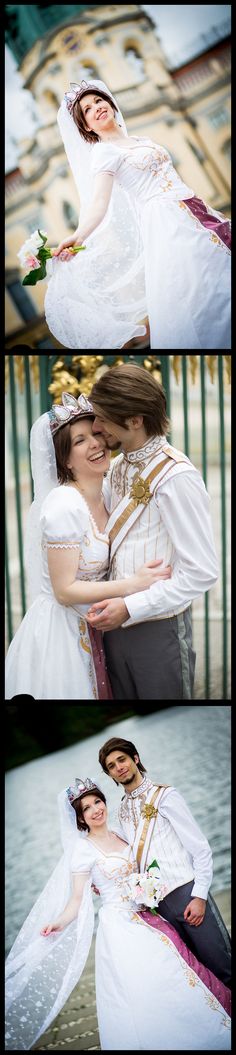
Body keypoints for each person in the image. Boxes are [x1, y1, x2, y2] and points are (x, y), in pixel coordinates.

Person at [5, 777, 231, 1051]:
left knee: (177, 975)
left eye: (97, 801)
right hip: (120, 927)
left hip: (148, 915)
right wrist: (59, 922)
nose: (96, 809)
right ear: (80, 818)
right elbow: (77, 900)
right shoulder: (82, 850)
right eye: (86, 808)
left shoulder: (121, 834)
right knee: (145, 986)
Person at [5, 392, 171, 700]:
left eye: (96, 433)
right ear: (64, 459)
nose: (95, 443)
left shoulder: (108, 491)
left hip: (96, 625)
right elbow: (64, 590)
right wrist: (132, 584)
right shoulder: (64, 505)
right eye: (79, 441)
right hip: (62, 635)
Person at [44, 78, 231, 350]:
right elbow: (99, 202)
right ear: (86, 126)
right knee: (200, 288)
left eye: (98, 100)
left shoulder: (142, 140)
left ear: (110, 103)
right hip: (167, 223)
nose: (96, 107)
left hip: (194, 208)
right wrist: (78, 236)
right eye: (87, 109)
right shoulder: (104, 152)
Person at [86, 363, 218, 700]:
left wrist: (132, 607)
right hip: (111, 628)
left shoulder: (177, 477)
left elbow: (202, 572)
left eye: (103, 418)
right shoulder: (115, 467)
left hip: (159, 629)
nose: (97, 427)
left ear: (134, 420)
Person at [98, 736, 231, 995]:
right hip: (160, 906)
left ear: (135, 758)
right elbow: (128, 857)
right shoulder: (122, 812)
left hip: (188, 895)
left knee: (223, 966)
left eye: (122, 759)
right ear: (110, 774)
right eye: (111, 766)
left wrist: (200, 895)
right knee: (199, 976)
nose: (119, 767)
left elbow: (201, 849)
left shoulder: (165, 795)